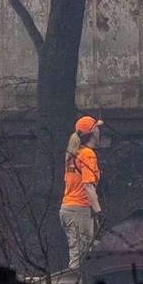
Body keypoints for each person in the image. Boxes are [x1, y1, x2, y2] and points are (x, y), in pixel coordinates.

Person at [59, 115, 104, 273]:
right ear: (93, 133)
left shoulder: (72, 154)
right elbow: (88, 186)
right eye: (97, 128)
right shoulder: (87, 154)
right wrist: (98, 211)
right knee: (82, 254)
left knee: (76, 250)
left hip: (67, 209)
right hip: (79, 209)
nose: (99, 131)